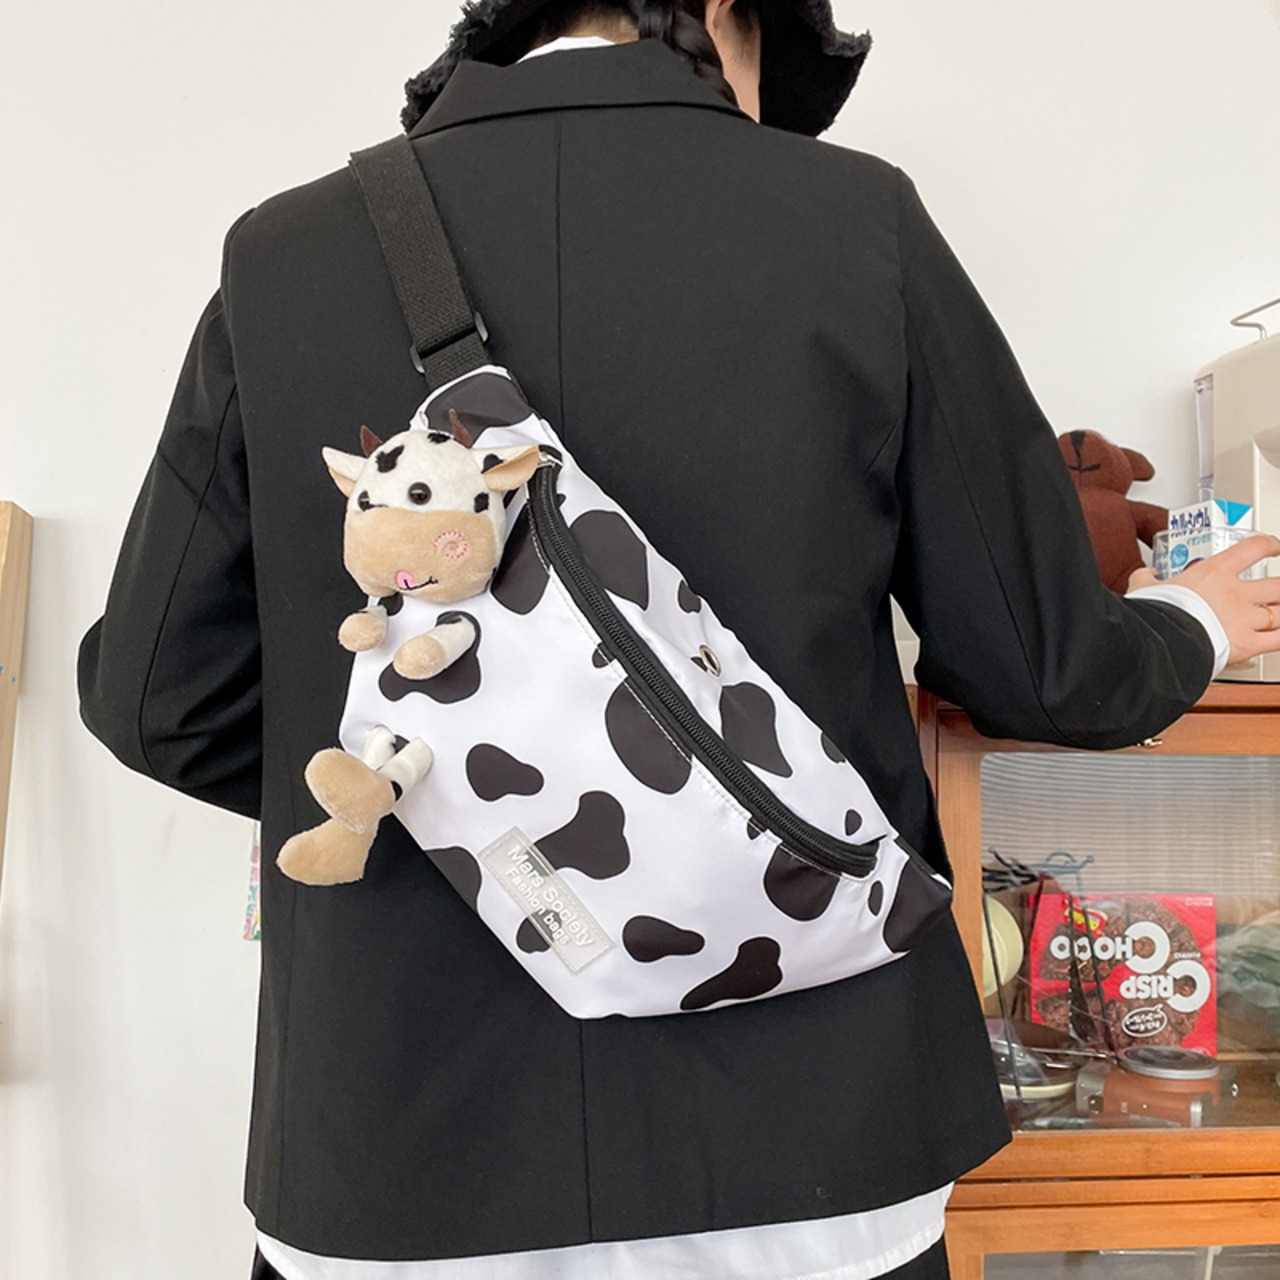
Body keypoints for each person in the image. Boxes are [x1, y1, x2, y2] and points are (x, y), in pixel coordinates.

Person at [75, 0, 1280, 1277]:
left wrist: (461, 813)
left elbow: (159, 701)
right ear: (724, 12)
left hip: (399, 1156)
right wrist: (1195, 616)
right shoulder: (854, 219)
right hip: (814, 1145)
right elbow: (1041, 668)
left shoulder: (283, 254)